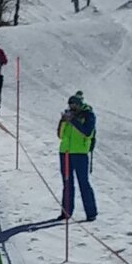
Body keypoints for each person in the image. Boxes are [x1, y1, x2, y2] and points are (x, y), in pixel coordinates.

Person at [57, 92, 98, 221]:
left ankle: (91, 212)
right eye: (70, 105)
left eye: (74, 105)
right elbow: (60, 135)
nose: (72, 107)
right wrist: (63, 121)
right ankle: (66, 212)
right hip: (66, 152)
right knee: (67, 183)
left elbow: (87, 132)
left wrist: (73, 121)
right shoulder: (69, 116)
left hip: (80, 153)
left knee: (83, 183)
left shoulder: (88, 115)